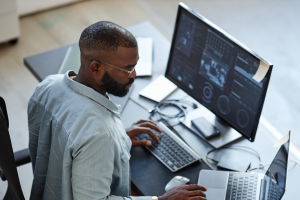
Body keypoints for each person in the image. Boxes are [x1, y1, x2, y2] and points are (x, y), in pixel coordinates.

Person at [28, 21, 207, 200]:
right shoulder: (99, 133)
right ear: (96, 67)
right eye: (127, 69)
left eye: (135, 65)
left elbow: (66, 139)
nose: (134, 75)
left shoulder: (48, 85)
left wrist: (119, 140)